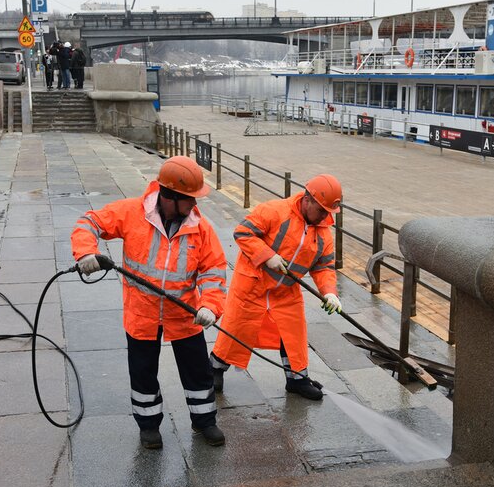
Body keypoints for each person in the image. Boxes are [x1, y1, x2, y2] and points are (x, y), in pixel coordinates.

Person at [71, 156, 228, 449]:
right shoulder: (132, 213)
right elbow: (88, 222)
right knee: (143, 371)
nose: (194, 206)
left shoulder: (200, 228)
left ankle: (205, 420)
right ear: (170, 197)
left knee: (197, 369)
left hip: (184, 312)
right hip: (141, 311)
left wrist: (210, 306)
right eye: (189, 200)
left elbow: (214, 270)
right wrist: (85, 253)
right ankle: (148, 425)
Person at [210, 175, 343, 401]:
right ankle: (214, 369)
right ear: (308, 199)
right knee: (236, 329)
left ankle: (297, 379)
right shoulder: (274, 211)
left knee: (293, 334)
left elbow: (324, 267)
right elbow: (242, 232)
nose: (325, 216)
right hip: (253, 284)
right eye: (322, 210)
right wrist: (267, 255)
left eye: (328, 212)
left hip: (286, 291)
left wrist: (329, 292)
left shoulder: (323, 234)